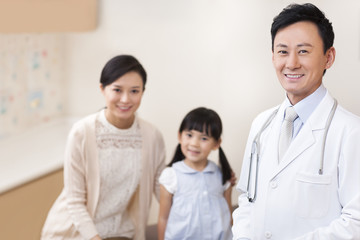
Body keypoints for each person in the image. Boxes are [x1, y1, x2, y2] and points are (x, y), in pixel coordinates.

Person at [232, 3, 360, 240]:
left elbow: (356, 223)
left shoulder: (352, 132)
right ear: (272, 57)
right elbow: (247, 202)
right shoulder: (261, 125)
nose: (291, 63)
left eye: (303, 51)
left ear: (328, 57)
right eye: (282, 51)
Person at [41, 55, 166, 240]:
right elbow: (75, 202)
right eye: (117, 90)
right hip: (74, 232)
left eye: (134, 91)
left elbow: (163, 190)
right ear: (102, 89)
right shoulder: (81, 133)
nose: (125, 99)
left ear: (143, 92)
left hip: (122, 232)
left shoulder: (151, 135)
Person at [158, 107, 234, 240]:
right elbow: (163, 218)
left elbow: (229, 216)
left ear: (217, 143)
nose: (194, 143)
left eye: (204, 138)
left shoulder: (223, 176)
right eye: (189, 135)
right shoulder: (171, 176)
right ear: (179, 136)